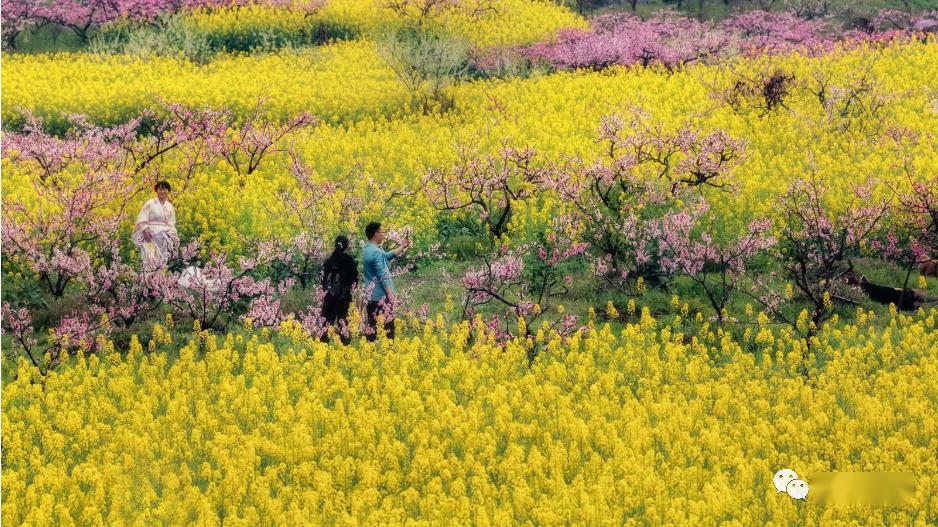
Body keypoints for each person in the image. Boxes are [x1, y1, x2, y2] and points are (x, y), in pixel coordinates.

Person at [362, 221, 411, 341]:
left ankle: (370, 351)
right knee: (389, 326)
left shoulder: (367, 249)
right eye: (382, 231)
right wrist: (390, 293)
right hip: (382, 295)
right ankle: (390, 352)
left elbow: (388, 255)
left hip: (371, 295)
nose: (384, 234)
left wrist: (403, 246)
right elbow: (381, 274)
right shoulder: (376, 252)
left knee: (372, 325)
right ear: (375, 234)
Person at [320, 235, 358, 344]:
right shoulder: (349, 261)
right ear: (346, 246)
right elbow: (354, 281)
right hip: (344, 297)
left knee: (326, 325)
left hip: (329, 298)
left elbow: (322, 280)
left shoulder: (328, 261)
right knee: (344, 325)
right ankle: (345, 352)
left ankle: (322, 351)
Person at [131, 181, 178, 269]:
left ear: (168, 191)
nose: (162, 191)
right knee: (149, 259)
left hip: (163, 238)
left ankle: (160, 282)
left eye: (165, 189)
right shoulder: (150, 203)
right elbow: (141, 220)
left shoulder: (170, 206)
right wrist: (146, 234)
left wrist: (170, 236)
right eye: (160, 189)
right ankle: (147, 281)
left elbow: (171, 223)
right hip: (150, 237)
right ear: (156, 191)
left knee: (162, 262)